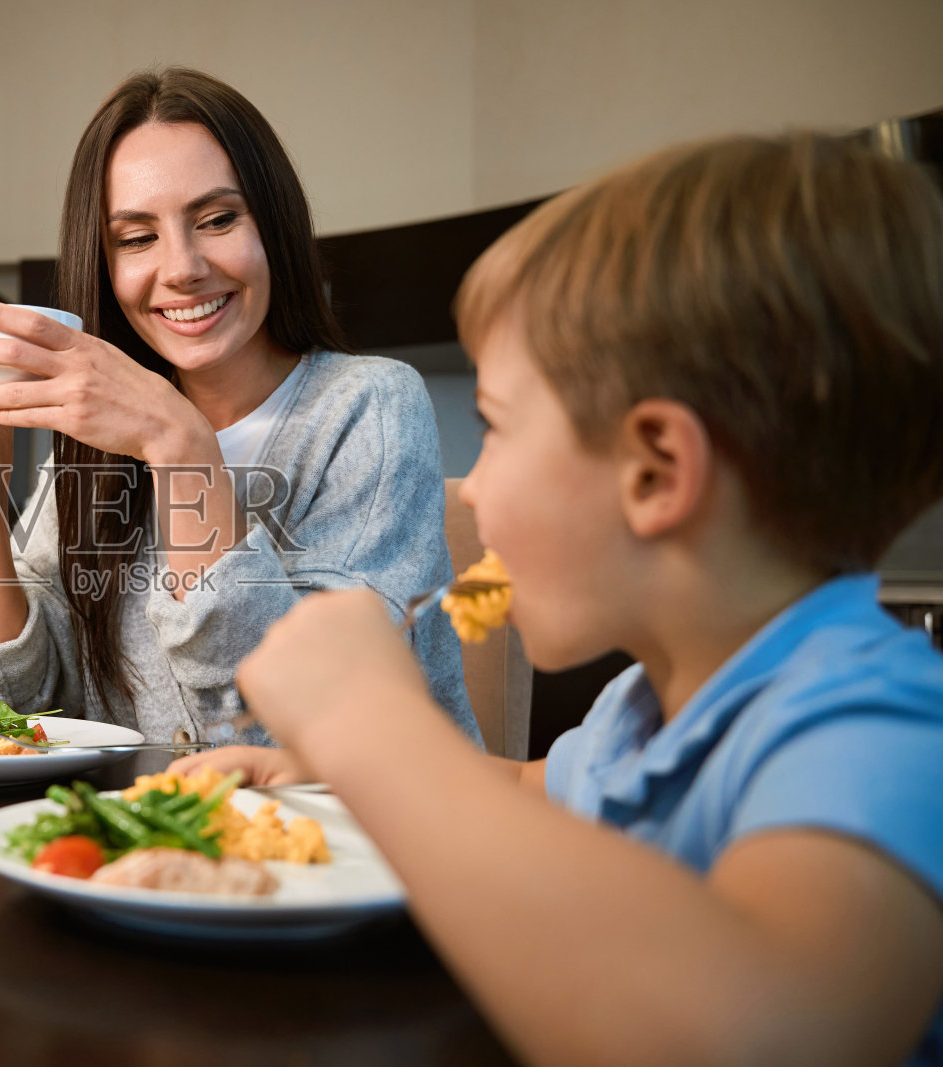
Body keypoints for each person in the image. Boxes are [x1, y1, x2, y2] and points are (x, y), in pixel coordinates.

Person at [180, 133, 943, 1065]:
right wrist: (312, 772)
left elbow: (763, 1033)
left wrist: (366, 720)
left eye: (495, 429)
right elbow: (526, 794)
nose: (472, 488)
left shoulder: (874, 728)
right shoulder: (645, 709)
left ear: (657, 472)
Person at [0, 68, 476, 744]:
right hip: (149, 844)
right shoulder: (95, 441)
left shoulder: (369, 405)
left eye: (217, 219)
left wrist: (181, 447)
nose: (181, 267)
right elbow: (3, 711)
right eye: (137, 237)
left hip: (345, 842)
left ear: (276, 226)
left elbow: (298, 728)